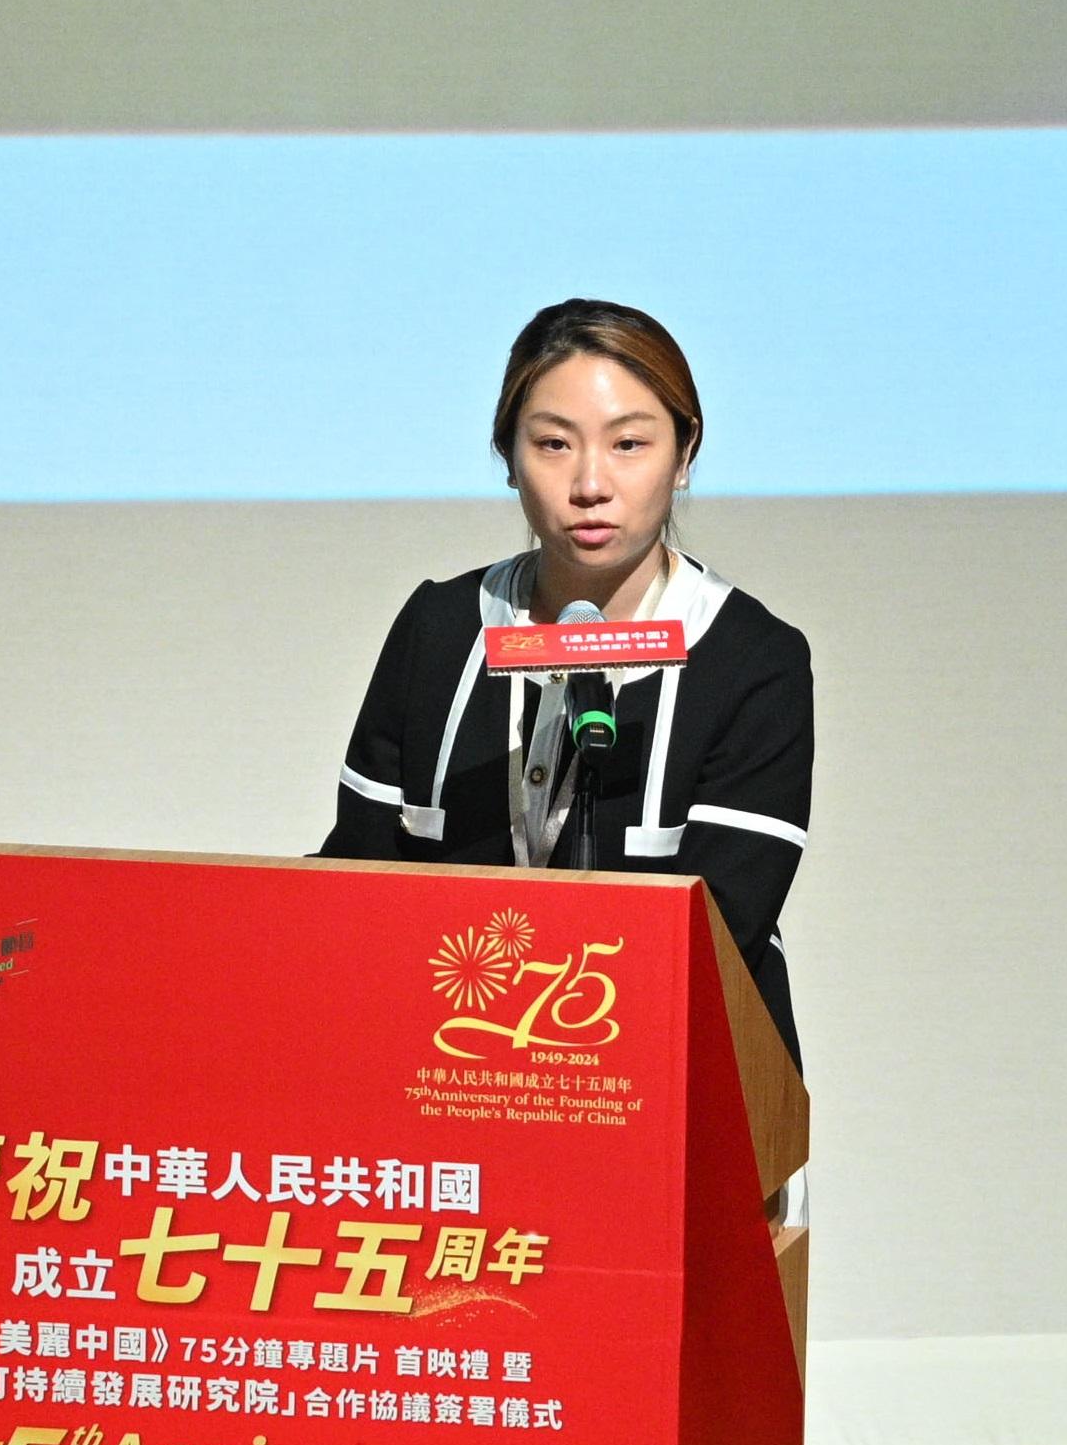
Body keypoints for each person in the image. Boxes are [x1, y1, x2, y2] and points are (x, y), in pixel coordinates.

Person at [318, 298, 813, 1070]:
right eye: (552, 443)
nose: (589, 483)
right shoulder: (439, 628)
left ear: (683, 456)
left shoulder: (752, 659)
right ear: (507, 457)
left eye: (628, 444)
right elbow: (353, 878)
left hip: (674, 1079)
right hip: (443, 1073)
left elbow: (725, 926)